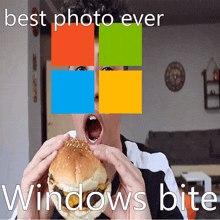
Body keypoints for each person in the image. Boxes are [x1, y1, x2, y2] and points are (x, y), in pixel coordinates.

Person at [12, 0, 188, 219]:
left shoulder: (155, 169)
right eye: (79, 70)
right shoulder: (44, 182)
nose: (94, 88)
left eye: (107, 69)